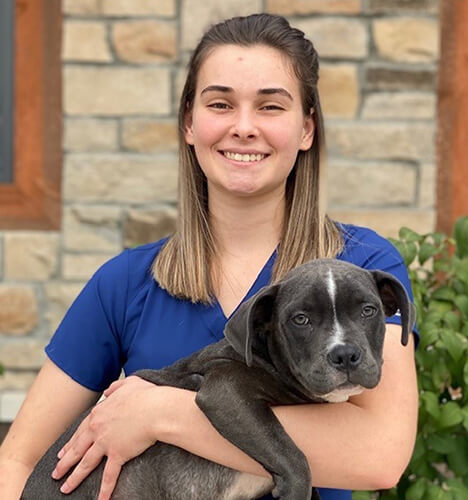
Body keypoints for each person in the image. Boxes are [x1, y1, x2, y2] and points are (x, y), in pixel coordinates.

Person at [0, 13, 418, 500]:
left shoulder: (362, 266)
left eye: (270, 107)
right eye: (220, 104)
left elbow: (379, 455)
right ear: (189, 124)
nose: (243, 127)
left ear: (306, 129)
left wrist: (159, 414)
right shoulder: (127, 283)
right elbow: (19, 458)